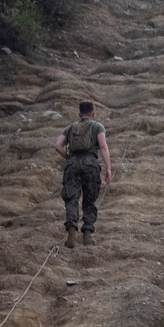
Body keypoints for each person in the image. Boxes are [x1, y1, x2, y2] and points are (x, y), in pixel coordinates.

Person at [54, 101, 112, 249]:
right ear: (93, 114)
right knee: (89, 199)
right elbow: (103, 146)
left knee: (71, 199)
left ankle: (72, 234)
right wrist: (108, 168)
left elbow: (57, 146)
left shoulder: (70, 128)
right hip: (91, 165)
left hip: (72, 166)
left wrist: (69, 157)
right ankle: (87, 234)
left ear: (79, 114)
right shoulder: (97, 126)